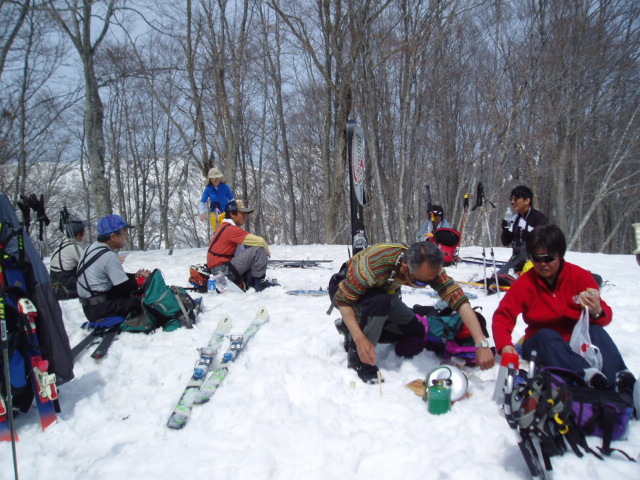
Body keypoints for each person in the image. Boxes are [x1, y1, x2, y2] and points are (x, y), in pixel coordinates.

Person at [492, 225, 635, 392]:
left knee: (596, 330)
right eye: (536, 258)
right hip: (543, 344)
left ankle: (620, 377)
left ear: (560, 255)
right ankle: (584, 374)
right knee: (547, 335)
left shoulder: (579, 277)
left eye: (549, 258)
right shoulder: (525, 284)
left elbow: (605, 316)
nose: (542, 264)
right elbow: (503, 316)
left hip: (577, 340)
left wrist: (597, 311)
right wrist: (505, 345)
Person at [333, 242, 495, 384]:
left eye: (431, 282)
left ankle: (356, 328)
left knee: (416, 331)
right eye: (419, 282)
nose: (425, 286)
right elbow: (343, 301)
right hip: (347, 291)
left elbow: (459, 300)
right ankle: (359, 359)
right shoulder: (371, 266)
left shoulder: (428, 267)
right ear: (404, 266)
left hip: (386, 292)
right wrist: (360, 339)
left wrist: (481, 343)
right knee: (379, 302)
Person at [76, 214, 151, 323]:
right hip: (102, 309)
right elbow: (124, 288)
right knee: (144, 301)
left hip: (89, 307)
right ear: (113, 236)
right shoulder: (109, 256)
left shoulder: (90, 249)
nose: (126, 237)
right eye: (124, 233)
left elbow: (112, 276)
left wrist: (135, 276)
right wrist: (142, 280)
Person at [206, 200, 275, 292]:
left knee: (250, 245)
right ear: (232, 214)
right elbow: (261, 241)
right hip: (222, 271)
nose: (245, 216)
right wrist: (266, 251)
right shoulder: (231, 229)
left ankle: (250, 278)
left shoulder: (225, 226)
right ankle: (258, 283)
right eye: (242, 213)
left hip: (217, 269)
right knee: (258, 250)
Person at [499, 185, 548, 275]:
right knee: (498, 277)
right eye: (511, 199)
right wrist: (505, 229)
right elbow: (505, 242)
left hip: (534, 262)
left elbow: (544, 241)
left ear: (527, 201)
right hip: (517, 260)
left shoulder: (539, 218)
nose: (513, 202)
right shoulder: (515, 218)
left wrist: (527, 228)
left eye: (516, 199)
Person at [49, 218, 88, 299]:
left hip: (54, 277)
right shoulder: (74, 248)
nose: (85, 233)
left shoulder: (63, 243)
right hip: (65, 280)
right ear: (78, 234)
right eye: (84, 232)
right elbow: (87, 264)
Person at [199, 167, 235, 232]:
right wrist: (202, 213)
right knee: (217, 232)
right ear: (210, 180)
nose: (216, 180)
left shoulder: (225, 187)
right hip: (214, 213)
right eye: (214, 178)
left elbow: (232, 200)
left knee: (226, 230)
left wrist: (233, 211)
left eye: (218, 178)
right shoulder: (208, 189)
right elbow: (203, 202)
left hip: (225, 213)